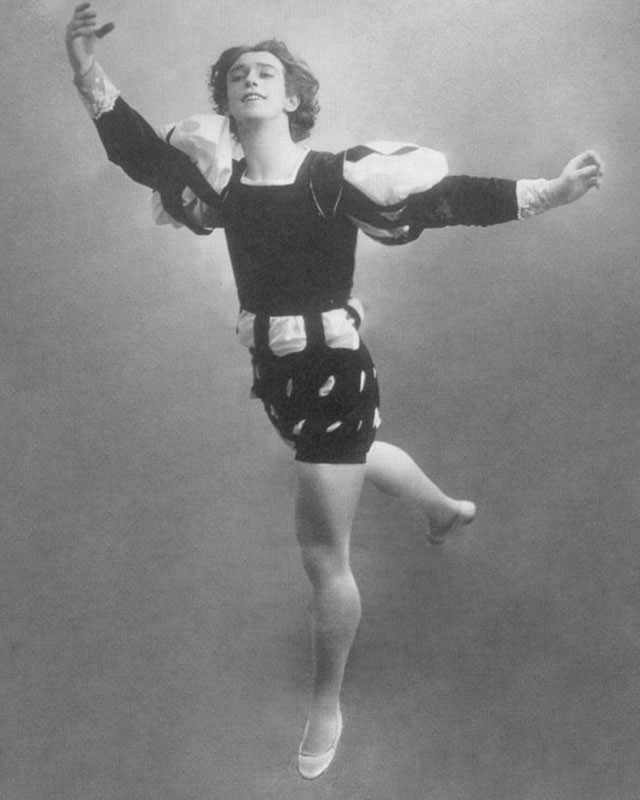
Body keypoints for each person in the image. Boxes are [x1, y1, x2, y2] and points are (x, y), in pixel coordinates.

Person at [65, 2, 604, 780]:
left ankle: (326, 702)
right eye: (238, 74)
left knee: (322, 552)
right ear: (226, 103)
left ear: (292, 97)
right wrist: (85, 66)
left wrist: (548, 192)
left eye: (267, 72)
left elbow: (446, 199)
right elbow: (140, 152)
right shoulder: (221, 184)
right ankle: (444, 511)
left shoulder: (331, 177)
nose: (251, 79)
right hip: (277, 374)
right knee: (356, 459)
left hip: (336, 374)